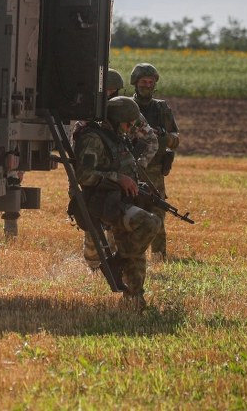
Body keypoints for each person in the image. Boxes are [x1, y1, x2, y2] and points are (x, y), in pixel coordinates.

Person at [73, 96, 161, 310]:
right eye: (128, 123)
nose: (130, 128)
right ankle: (116, 262)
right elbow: (84, 176)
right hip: (103, 203)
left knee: (136, 247)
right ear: (115, 119)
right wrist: (118, 178)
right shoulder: (93, 138)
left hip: (119, 201)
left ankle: (134, 299)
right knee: (150, 223)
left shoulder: (115, 137)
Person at [77, 68, 158, 269]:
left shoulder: (125, 111)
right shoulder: (85, 115)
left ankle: (117, 262)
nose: (108, 94)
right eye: (104, 90)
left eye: (112, 90)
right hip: (94, 176)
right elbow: (82, 165)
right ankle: (95, 265)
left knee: (118, 226)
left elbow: (151, 140)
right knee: (92, 226)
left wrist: (133, 169)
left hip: (117, 179)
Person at [130, 63, 180, 261]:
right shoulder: (127, 107)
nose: (147, 85)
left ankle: (159, 258)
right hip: (131, 168)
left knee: (158, 213)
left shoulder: (161, 108)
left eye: (151, 82)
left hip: (155, 171)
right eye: (143, 81)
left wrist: (164, 135)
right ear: (135, 83)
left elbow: (176, 139)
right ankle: (128, 254)